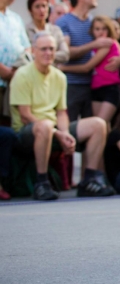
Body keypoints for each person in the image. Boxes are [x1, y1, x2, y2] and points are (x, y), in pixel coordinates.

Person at [11, 33, 114, 199]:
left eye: (51, 49)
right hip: (27, 132)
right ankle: (42, 183)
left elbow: (61, 112)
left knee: (98, 124)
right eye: (43, 49)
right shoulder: (22, 74)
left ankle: (89, 180)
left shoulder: (59, 76)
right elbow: (25, 115)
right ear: (34, 51)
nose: (48, 53)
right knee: (44, 126)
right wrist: (57, 133)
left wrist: (65, 132)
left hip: (53, 129)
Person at [57, 0, 120, 125]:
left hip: (93, 86)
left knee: (92, 129)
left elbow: (113, 43)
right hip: (71, 85)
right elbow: (65, 53)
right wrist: (93, 44)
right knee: (70, 126)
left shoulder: (95, 22)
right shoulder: (64, 22)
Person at [60, 16, 120, 124]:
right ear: (92, 31)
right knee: (101, 125)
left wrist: (63, 67)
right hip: (96, 88)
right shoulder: (96, 45)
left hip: (109, 88)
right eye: (97, 29)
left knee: (101, 123)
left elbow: (87, 67)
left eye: (104, 29)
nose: (101, 32)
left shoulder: (107, 43)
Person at [0, 0, 31, 127]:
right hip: (2, 78)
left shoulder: (15, 19)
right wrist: (4, 71)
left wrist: (16, 71)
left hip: (15, 82)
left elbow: (27, 48)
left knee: (8, 127)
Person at [25, 0, 69, 66]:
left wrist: (41, 55)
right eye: (37, 7)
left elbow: (65, 54)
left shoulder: (55, 30)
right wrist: (52, 54)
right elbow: (25, 56)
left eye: (44, 6)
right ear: (30, 10)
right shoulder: (25, 31)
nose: (41, 10)